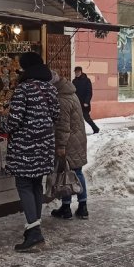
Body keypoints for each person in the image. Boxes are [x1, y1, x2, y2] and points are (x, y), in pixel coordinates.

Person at [1, 52, 60, 251]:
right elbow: (56, 116)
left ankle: (34, 233)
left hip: (26, 146)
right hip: (44, 146)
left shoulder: (23, 89)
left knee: (24, 184)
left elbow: (13, 122)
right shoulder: (50, 89)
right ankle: (34, 228)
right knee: (36, 185)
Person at [49, 70, 89, 220]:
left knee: (64, 172)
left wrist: (60, 146)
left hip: (68, 142)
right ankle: (83, 206)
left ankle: (66, 208)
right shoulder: (71, 93)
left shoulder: (61, 99)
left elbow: (62, 126)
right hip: (77, 139)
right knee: (77, 172)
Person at [73, 67, 100, 134]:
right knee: (76, 118)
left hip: (84, 103)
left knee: (86, 118)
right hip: (76, 103)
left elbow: (89, 92)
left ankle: (95, 128)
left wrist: (86, 102)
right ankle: (78, 132)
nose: (76, 73)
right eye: (75, 72)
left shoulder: (87, 80)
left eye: (78, 72)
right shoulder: (74, 81)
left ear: (81, 72)